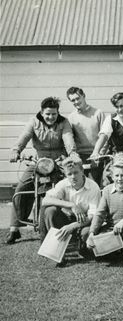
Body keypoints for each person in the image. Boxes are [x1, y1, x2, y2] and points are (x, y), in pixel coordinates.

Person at [6, 97, 77, 244]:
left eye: (54, 114)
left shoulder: (64, 123)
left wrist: (73, 154)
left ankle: (71, 222)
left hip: (58, 162)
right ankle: (14, 228)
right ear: (42, 112)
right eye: (48, 114)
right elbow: (24, 136)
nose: (51, 117)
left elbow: (68, 138)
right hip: (38, 162)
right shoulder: (33, 122)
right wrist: (16, 150)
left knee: (71, 184)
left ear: (58, 113)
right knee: (21, 187)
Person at [39, 156, 101, 265]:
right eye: (69, 174)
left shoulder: (93, 187)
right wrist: (71, 205)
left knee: (86, 247)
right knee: (50, 211)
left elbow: (93, 216)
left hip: (84, 221)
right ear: (65, 175)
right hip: (66, 216)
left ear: (82, 171)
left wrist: (72, 226)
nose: (73, 177)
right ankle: (55, 251)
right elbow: (45, 200)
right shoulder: (63, 184)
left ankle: (82, 246)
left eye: (76, 172)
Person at [86, 158, 123, 266]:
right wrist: (92, 232)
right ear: (112, 177)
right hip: (113, 227)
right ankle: (117, 249)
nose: (120, 179)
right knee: (96, 251)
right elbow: (100, 213)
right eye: (117, 176)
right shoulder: (107, 190)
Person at [66, 86, 106, 182]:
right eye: (72, 100)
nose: (76, 102)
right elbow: (70, 139)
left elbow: (105, 136)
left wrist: (100, 154)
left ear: (83, 96)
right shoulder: (71, 117)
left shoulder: (98, 113)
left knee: (95, 185)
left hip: (97, 156)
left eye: (77, 98)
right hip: (80, 157)